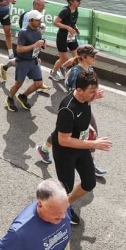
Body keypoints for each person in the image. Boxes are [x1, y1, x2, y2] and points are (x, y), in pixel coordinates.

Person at [51, 70, 112, 225]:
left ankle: (65, 204)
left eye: (96, 90)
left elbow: (84, 109)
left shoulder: (85, 98)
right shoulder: (67, 109)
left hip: (80, 146)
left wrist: (92, 98)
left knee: (89, 182)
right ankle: (55, 213)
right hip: (65, 152)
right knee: (66, 187)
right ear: (78, 90)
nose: (94, 94)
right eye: (92, 92)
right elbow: (63, 140)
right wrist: (94, 144)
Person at [37, 45, 107, 177]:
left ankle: (43, 148)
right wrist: (93, 96)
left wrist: (94, 94)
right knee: (90, 133)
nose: (95, 58)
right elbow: (78, 95)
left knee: (60, 131)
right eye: (93, 56)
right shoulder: (76, 73)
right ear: (84, 57)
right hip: (75, 108)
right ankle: (90, 164)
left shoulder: (88, 69)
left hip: (84, 106)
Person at [5, 11, 47, 113]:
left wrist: (42, 46)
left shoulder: (38, 31)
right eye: (37, 20)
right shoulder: (23, 32)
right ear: (30, 20)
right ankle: (10, 98)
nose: (40, 22)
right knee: (18, 84)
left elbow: (37, 45)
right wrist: (34, 45)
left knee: (38, 84)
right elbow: (19, 49)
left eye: (40, 20)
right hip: (23, 61)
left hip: (33, 61)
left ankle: (23, 96)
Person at [0, 0, 46, 82]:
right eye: (42, 5)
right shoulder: (28, 15)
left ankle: (38, 84)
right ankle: (5, 67)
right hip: (26, 44)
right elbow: (25, 30)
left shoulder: (38, 15)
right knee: (20, 62)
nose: (44, 7)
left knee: (37, 61)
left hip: (35, 44)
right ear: (36, 5)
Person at [50, 0, 82, 81]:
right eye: (78, 1)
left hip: (71, 37)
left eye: (80, 1)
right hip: (62, 36)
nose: (80, 2)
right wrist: (67, 27)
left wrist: (75, 28)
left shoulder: (76, 11)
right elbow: (56, 22)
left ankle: (64, 67)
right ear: (71, 1)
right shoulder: (65, 11)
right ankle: (53, 72)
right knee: (63, 58)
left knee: (77, 57)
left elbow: (72, 22)